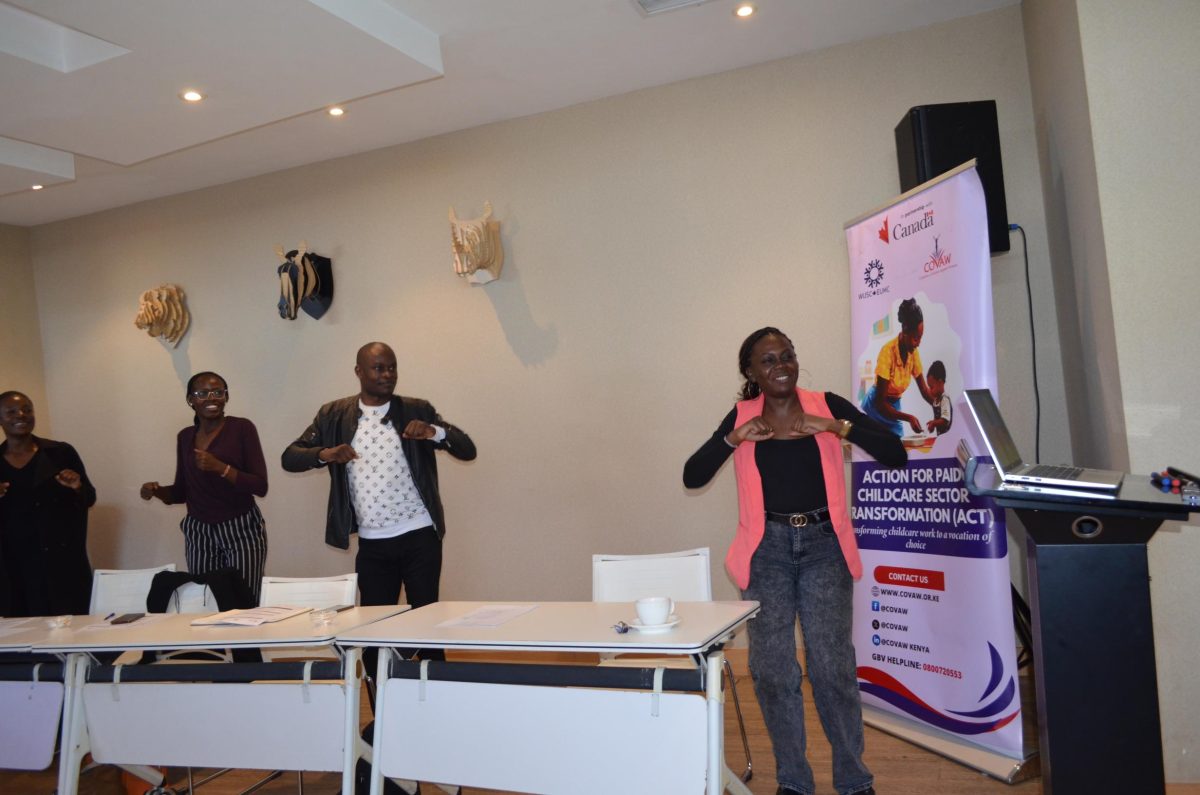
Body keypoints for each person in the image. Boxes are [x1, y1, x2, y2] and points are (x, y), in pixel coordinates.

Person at [684, 328, 906, 795]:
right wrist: (733, 438)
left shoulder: (826, 404)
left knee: (832, 668)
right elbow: (693, 475)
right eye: (767, 360)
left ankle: (854, 780)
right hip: (766, 552)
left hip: (825, 547)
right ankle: (794, 781)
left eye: (787, 355)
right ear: (751, 371)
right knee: (772, 671)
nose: (781, 365)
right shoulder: (742, 416)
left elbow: (895, 453)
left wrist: (836, 427)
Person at [281, 342, 475, 655]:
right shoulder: (333, 415)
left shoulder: (417, 410)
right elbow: (290, 457)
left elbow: (467, 449)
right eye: (378, 368)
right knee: (374, 634)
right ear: (359, 372)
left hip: (419, 536)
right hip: (373, 545)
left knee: (428, 627)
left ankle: (433, 684)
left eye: (392, 367)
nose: (387, 374)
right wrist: (325, 454)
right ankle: (378, 687)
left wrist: (434, 432)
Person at [140, 372, 269, 603]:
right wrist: (156, 491)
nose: (212, 398)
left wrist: (221, 467)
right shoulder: (185, 437)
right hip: (199, 532)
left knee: (245, 602)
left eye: (218, 392)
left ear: (226, 396)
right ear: (191, 400)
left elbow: (260, 486)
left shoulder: (242, 428)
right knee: (206, 602)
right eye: (202, 393)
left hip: (240, 528)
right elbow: (181, 492)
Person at [0, 391, 96, 616]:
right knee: (23, 627)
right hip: (14, 567)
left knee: (72, 626)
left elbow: (89, 497)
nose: (21, 415)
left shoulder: (60, 452)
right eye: (11, 412)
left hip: (61, 563)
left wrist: (77, 487)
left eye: (27, 409)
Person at [860, 297, 936, 436]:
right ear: (905, 330)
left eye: (920, 338)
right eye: (915, 338)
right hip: (876, 406)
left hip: (893, 406)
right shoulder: (887, 352)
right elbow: (880, 403)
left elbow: (924, 390)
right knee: (887, 441)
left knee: (896, 443)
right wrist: (909, 418)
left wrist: (940, 408)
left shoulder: (913, 353)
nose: (918, 343)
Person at [925, 360, 952, 435]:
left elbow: (945, 420)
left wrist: (934, 423)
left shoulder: (944, 399)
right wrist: (933, 424)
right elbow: (938, 418)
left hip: (947, 436)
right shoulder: (936, 401)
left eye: (931, 387)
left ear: (940, 382)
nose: (930, 391)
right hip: (941, 436)